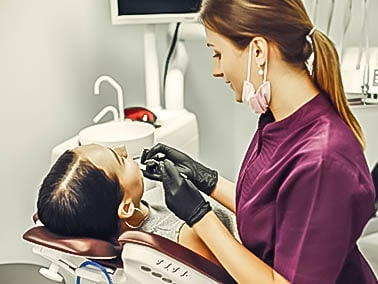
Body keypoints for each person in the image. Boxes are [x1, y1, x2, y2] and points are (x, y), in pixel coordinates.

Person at [140, 0, 378, 283]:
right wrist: (206, 180)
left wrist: (199, 216)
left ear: (258, 51)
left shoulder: (322, 161)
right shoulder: (276, 119)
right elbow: (272, 215)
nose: (216, 70)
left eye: (218, 54)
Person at [36, 143, 236, 264]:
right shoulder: (180, 237)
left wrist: (207, 180)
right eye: (120, 160)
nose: (123, 150)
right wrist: (199, 212)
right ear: (125, 207)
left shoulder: (121, 218)